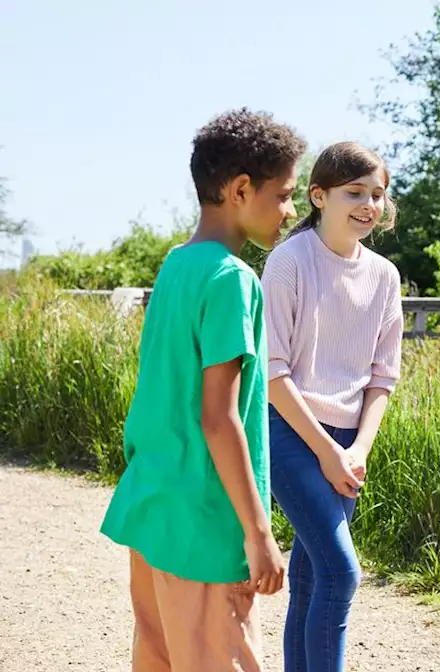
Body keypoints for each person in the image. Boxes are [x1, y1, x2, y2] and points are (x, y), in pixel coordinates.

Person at [99, 108, 306, 671]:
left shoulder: (177, 266)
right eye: (285, 194)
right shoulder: (233, 281)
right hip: (207, 525)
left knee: (161, 659)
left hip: (157, 508)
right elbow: (219, 418)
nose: (291, 211)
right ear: (241, 189)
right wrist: (258, 532)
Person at [261, 141, 404, 672]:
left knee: (312, 577)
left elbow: (383, 377)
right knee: (342, 573)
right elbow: (271, 372)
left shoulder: (385, 277)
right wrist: (326, 452)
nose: (369, 204)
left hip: (348, 444)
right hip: (289, 431)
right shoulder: (289, 261)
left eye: (378, 194)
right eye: (355, 192)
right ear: (319, 196)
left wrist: (358, 447)